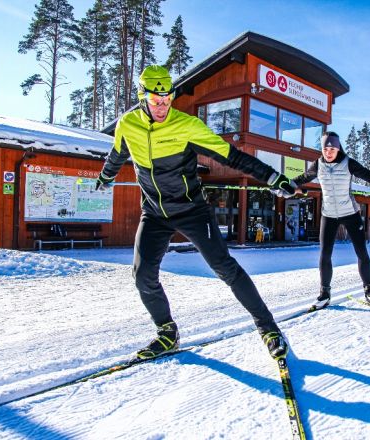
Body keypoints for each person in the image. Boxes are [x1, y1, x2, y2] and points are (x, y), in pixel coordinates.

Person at [95, 65, 296, 360]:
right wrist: (106, 176)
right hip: (154, 212)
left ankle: (268, 328)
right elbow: (118, 153)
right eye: (156, 100)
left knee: (225, 267)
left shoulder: (186, 125)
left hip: (192, 210)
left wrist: (271, 176)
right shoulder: (127, 124)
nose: (163, 106)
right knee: (142, 275)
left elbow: (231, 155)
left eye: (167, 99)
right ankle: (167, 333)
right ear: (142, 97)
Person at [291, 131, 370, 310]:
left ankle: (369, 291)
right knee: (325, 254)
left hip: (350, 213)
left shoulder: (348, 164)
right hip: (329, 215)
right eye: (325, 148)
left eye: (332, 148)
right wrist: (284, 186)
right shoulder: (317, 165)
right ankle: (324, 294)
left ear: (338, 148)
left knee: (361, 252)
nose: (329, 152)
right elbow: (300, 180)